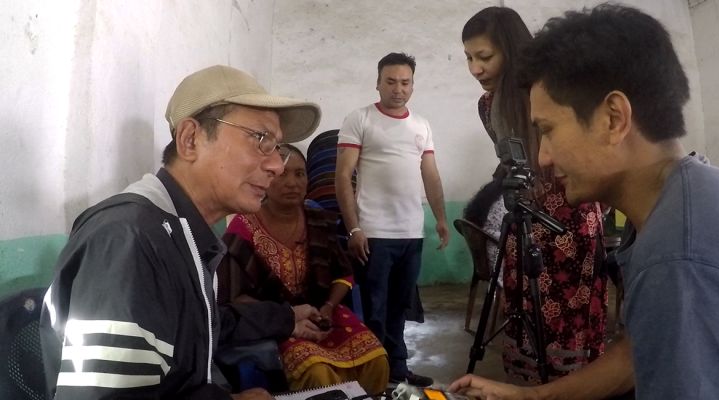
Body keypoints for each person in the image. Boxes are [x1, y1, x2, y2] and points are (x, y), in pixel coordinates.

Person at [451, 4, 719, 399]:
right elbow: (638, 353)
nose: (543, 157)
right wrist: (531, 396)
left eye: (547, 130)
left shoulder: (681, 260)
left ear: (614, 119)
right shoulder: (688, 191)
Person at [39, 65, 321, 399]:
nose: (277, 165)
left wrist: (286, 317)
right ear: (190, 140)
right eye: (261, 139)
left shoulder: (181, 230)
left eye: (278, 147)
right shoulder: (129, 240)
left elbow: (203, 324)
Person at [462, 6, 607, 384]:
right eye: (469, 58)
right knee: (525, 309)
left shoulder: (551, 90)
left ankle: (574, 385)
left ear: (511, 50)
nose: (475, 68)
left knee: (567, 321)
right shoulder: (487, 105)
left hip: (570, 220)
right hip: (524, 218)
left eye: (484, 57)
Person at [219, 144, 390, 395]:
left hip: (322, 315)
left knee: (376, 361)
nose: (292, 183)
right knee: (318, 373)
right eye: (282, 174)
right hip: (273, 323)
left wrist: (329, 307)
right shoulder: (243, 229)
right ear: (265, 177)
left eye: (300, 174)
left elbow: (343, 274)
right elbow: (234, 297)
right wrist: (286, 316)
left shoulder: (317, 219)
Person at [335, 52, 449, 387]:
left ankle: (396, 371)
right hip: (373, 234)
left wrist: (440, 218)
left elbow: (431, 175)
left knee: (400, 308)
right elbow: (343, 175)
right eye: (391, 81)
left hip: (411, 234)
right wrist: (354, 227)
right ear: (378, 82)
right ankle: (373, 376)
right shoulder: (360, 119)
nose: (398, 89)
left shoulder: (421, 125)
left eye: (405, 82)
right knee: (374, 309)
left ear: (412, 84)